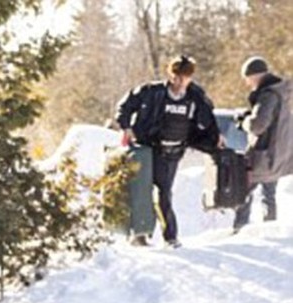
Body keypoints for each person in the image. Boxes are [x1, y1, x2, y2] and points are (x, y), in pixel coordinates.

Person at [115, 54, 223, 247]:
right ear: (170, 74)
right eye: (176, 76)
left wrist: (216, 137)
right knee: (144, 191)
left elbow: (208, 120)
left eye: (184, 77)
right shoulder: (151, 91)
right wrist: (127, 127)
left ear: (190, 77)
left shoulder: (196, 96)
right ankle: (143, 234)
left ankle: (169, 237)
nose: (180, 81)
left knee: (164, 193)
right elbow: (124, 106)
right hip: (148, 149)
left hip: (172, 152)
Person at [234, 56, 293, 231]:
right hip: (279, 153)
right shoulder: (284, 93)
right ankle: (270, 227)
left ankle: (240, 227)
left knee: (244, 189)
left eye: (247, 79)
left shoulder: (267, 95)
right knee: (269, 194)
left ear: (254, 76)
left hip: (263, 154)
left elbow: (257, 125)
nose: (247, 84)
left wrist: (243, 120)